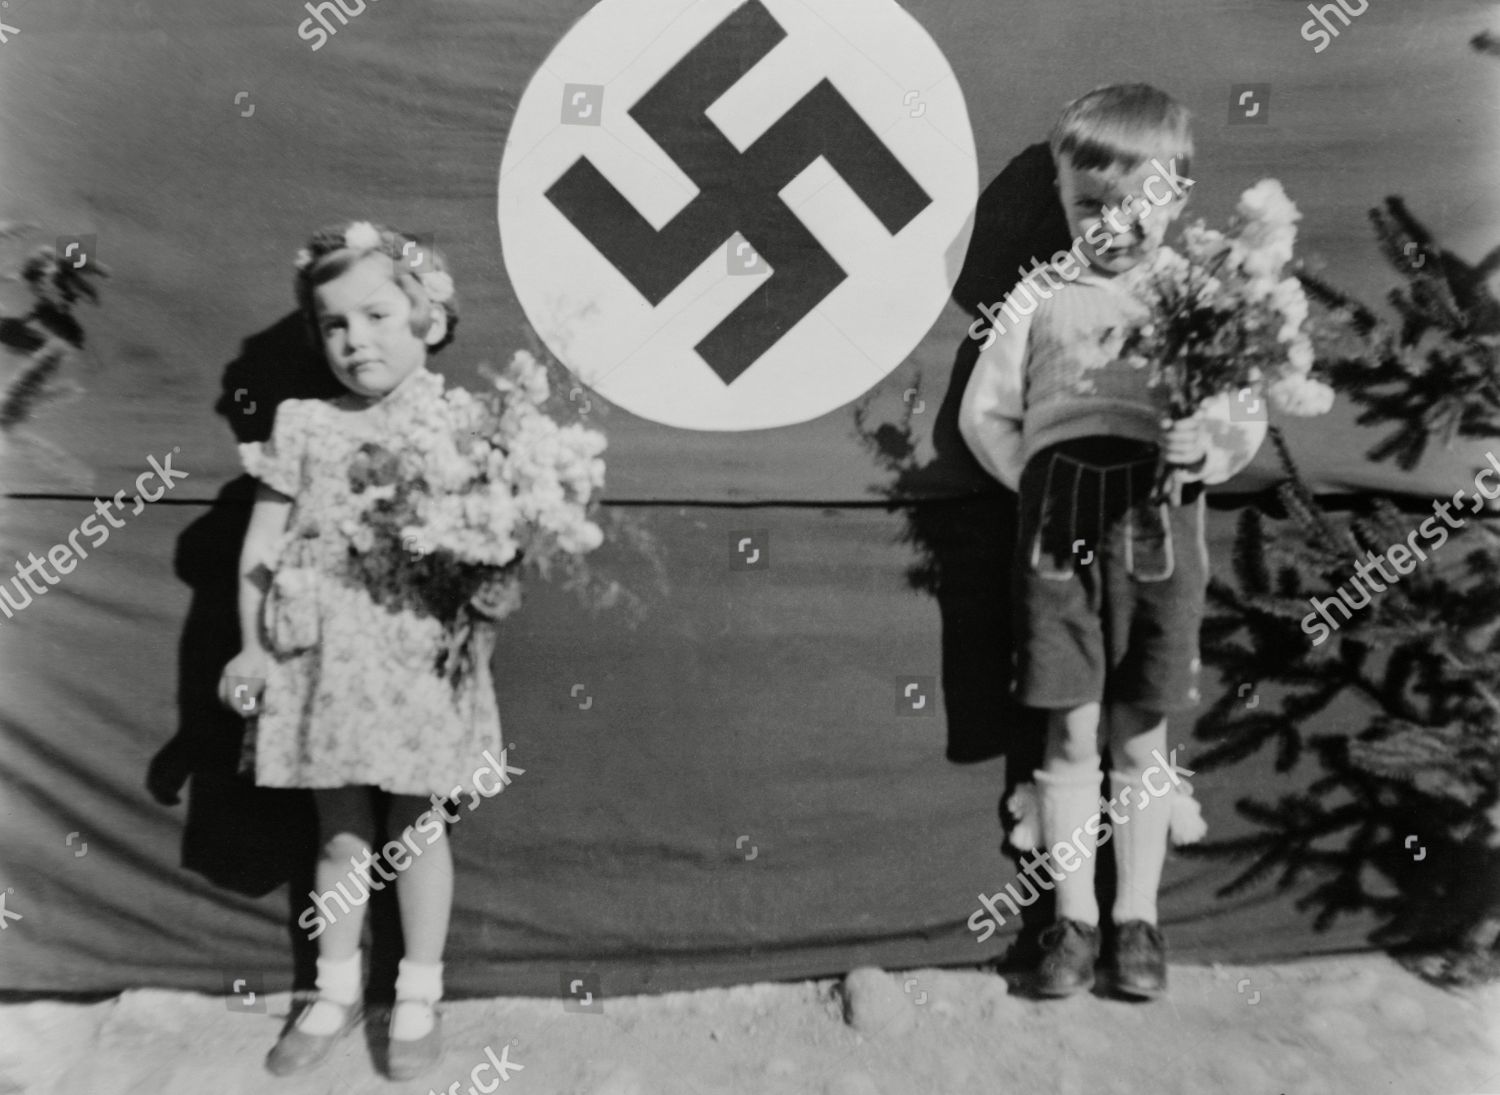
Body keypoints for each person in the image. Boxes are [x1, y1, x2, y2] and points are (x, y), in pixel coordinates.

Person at [958, 85, 1265, 999]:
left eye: (1139, 202)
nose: (1114, 223)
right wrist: (1042, 483)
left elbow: (1240, 414)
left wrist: (1202, 445)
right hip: (1061, 541)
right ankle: (1071, 923)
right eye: (1091, 204)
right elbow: (987, 417)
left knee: (1141, 728)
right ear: (1063, 198)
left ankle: (1138, 918)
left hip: (1160, 536)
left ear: (1177, 194)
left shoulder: (1199, 298)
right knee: (1070, 724)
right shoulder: (1037, 297)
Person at [218, 221, 500, 1076]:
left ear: (429, 319)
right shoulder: (301, 424)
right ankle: (334, 989)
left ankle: (418, 991)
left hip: (418, 658)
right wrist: (249, 649)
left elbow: (491, 546)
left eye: (378, 315)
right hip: (322, 663)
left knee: (417, 825)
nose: (356, 340)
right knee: (339, 832)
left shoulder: (462, 419)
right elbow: (261, 552)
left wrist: (478, 638)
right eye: (335, 323)